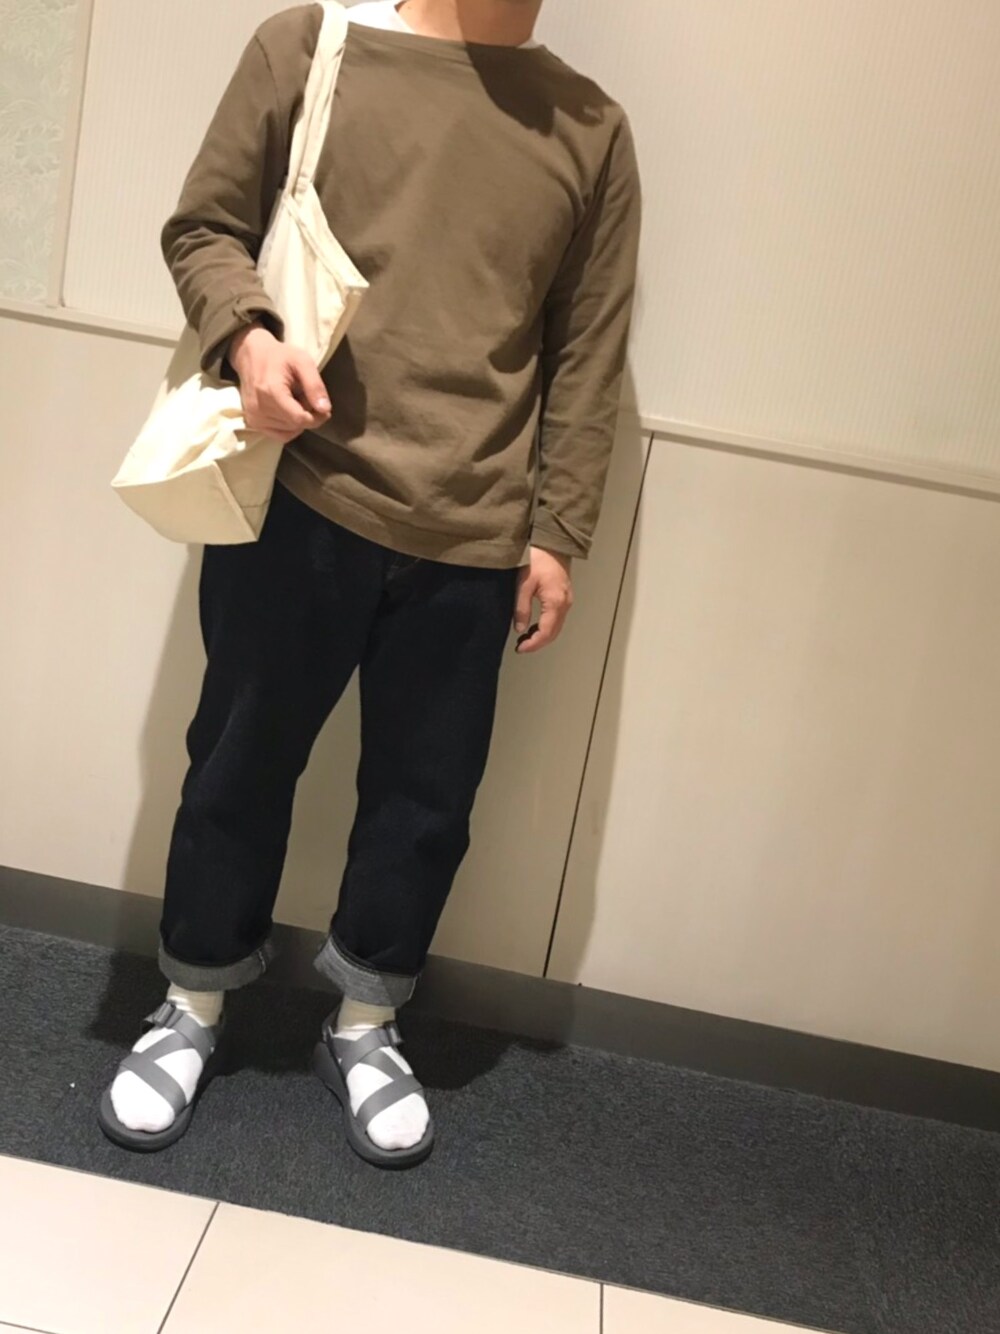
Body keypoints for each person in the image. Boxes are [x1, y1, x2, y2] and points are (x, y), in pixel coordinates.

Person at [98, 0, 642, 1168]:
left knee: (424, 799)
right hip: (301, 493)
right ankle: (191, 1000)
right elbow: (204, 226)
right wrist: (250, 339)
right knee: (239, 761)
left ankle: (365, 1019)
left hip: (476, 529)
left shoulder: (590, 129)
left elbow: (588, 348)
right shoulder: (309, 44)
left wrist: (558, 530)